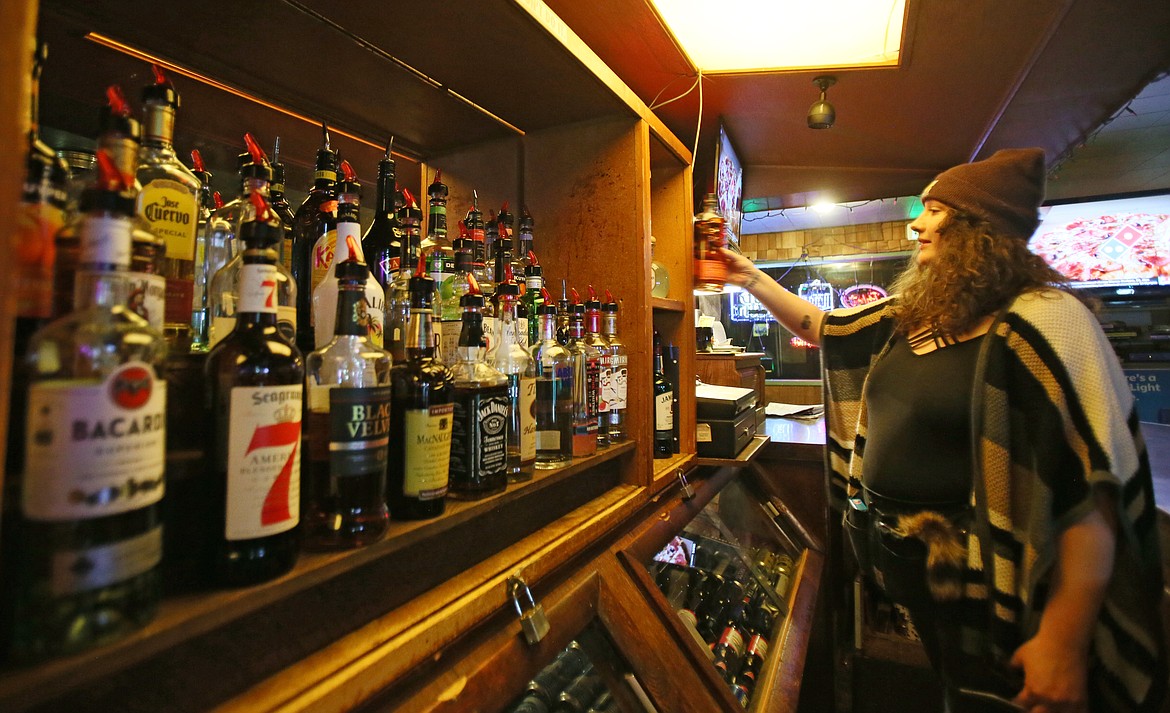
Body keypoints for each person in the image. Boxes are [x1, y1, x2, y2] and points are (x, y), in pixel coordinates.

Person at [722, 148, 1166, 713]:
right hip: (916, 573)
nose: (916, 223)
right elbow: (823, 326)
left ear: (980, 229)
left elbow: (1093, 491)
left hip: (995, 589)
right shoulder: (915, 314)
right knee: (958, 695)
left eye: (935, 211)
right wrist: (747, 275)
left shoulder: (1045, 319)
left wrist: (1064, 639)